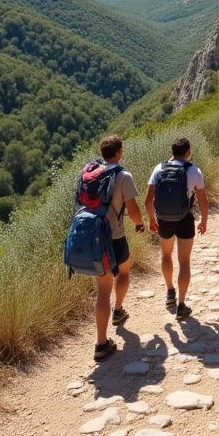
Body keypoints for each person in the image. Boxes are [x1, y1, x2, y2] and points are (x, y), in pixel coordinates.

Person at [93, 135, 144, 361]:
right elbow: (132, 209)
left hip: (94, 238)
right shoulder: (123, 176)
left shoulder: (92, 174)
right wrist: (140, 224)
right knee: (123, 272)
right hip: (115, 236)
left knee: (102, 289)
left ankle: (101, 343)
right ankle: (119, 310)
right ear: (118, 152)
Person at [145, 138, 208, 320]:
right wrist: (204, 220)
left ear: (171, 152)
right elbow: (203, 200)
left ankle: (170, 291)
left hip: (163, 220)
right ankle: (181, 305)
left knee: (165, 255)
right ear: (188, 151)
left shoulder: (159, 168)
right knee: (184, 261)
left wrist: (151, 220)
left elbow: (148, 201)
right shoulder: (194, 170)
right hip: (185, 219)